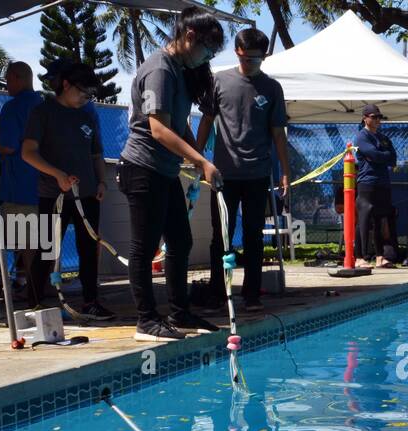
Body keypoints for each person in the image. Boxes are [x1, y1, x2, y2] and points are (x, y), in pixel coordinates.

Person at [118, 6, 227, 342]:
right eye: (208, 50)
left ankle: (180, 313)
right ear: (189, 37)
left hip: (163, 173)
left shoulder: (179, 70)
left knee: (180, 240)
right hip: (142, 169)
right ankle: (146, 320)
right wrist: (201, 162)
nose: (207, 57)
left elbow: (180, 126)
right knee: (144, 246)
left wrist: (198, 158)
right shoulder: (159, 68)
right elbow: (159, 130)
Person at [196, 27, 289, 313]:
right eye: (246, 58)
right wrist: (198, 158)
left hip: (257, 174)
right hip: (224, 175)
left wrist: (285, 170)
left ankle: (251, 295)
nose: (250, 63)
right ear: (237, 52)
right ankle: (217, 294)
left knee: (253, 235)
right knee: (221, 236)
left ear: (264, 56)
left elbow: (278, 133)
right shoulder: (218, 81)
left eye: (256, 59)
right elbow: (206, 122)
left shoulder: (272, 88)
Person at [21, 62, 113, 318]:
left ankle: (90, 301)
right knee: (47, 248)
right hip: (54, 194)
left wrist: (102, 182)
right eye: (83, 91)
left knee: (88, 248)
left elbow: (96, 154)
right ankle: (35, 304)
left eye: (90, 94)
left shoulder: (88, 115)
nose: (86, 98)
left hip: (88, 195)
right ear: (66, 85)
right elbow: (28, 153)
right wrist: (58, 175)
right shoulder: (42, 112)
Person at [0, 62, 44, 287]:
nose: (6, 85)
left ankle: (35, 291)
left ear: (17, 77)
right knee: (44, 240)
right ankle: (45, 286)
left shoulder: (13, 107)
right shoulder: (45, 104)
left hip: (20, 187)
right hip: (46, 184)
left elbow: (8, 146)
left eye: (7, 79)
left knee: (27, 242)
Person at [351, 103, 398, 269]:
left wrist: (380, 156)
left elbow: (392, 157)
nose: (378, 120)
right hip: (367, 182)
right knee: (364, 218)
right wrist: (380, 156)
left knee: (379, 219)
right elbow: (374, 155)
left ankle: (379, 257)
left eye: (379, 117)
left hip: (383, 182)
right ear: (365, 118)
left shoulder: (383, 138)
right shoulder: (361, 137)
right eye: (374, 117)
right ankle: (360, 257)